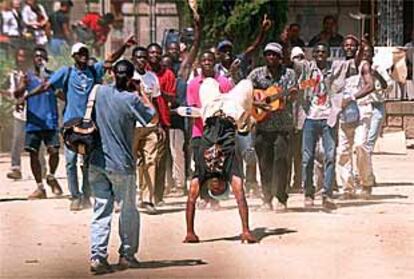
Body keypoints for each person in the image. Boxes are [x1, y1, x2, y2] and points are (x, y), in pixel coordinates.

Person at [21, 36, 137, 210]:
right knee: (70, 161)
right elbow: (47, 86)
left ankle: (85, 194)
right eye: (80, 53)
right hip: (71, 125)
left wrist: (124, 47)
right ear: (74, 56)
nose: (83, 55)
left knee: (88, 162)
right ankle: (75, 196)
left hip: (90, 124)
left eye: (85, 52)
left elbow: (110, 59)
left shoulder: (94, 71)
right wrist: (26, 96)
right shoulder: (66, 72)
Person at [88, 60, 157, 274]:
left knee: (101, 210)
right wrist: (140, 92)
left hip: (97, 162)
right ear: (129, 78)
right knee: (128, 210)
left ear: (112, 74)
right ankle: (127, 255)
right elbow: (152, 116)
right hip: (121, 165)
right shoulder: (131, 100)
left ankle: (98, 257)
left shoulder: (99, 92)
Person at [184, 76, 257, 244]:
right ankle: (245, 120)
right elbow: (240, 195)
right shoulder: (230, 171)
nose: (216, 187)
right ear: (225, 186)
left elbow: (191, 198)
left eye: (213, 190)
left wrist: (190, 232)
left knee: (208, 81)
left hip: (210, 110)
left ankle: (245, 117)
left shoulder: (202, 173)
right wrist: (246, 231)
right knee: (246, 84)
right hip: (233, 111)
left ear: (209, 186)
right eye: (220, 190)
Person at [248, 42, 298, 212]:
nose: (271, 57)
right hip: (262, 125)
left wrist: (288, 97)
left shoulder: (289, 74)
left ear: (280, 57)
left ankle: (281, 198)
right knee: (264, 163)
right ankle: (266, 198)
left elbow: (292, 96)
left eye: (275, 55)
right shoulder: (256, 74)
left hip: (282, 126)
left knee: (282, 161)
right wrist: (259, 103)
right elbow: (246, 93)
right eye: (268, 54)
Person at [14, 47, 62, 199]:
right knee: (33, 153)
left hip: (50, 120)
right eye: (36, 56)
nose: (39, 58)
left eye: (42, 56)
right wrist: (22, 85)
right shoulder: (27, 76)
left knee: (54, 151)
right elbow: (17, 94)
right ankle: (40, 187)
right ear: (33, 59)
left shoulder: (52, 76)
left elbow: (60, 94)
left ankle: (51, 176)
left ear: (46, 59)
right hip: (34, 121)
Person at [300, 43, 341, 209]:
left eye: (323, 52)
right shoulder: (308, 69)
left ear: (328, 54)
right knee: (307, 157)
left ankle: (327, 194)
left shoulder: (334, 70)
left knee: (330, 155)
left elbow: (339, 87)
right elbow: (302, 86)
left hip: (328, 117)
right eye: (317, 52)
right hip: (310, 117)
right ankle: (309, 192)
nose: (320, 54)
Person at [337, 35, 375, 199]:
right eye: (346, 45)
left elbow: (370, 85)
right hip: (343, 113)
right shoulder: (340, 66)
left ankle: (366, 182)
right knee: (343, 151)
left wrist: (352, 97)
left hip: (361, 109)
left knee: (360, 146)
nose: (349, 47)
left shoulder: (363, 65)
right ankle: (348, 188)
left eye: (353, 45)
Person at [131, 46, 164, 213]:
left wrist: (161, 124)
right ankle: (126, 198)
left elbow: (157, 101)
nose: (142, 60)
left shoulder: (152, 78)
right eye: (138, 57)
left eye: (144, 57)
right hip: (132, 126)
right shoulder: (128, 76)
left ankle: (147, 199)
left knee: (150, 160)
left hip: (150, 125)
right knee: (130, 162)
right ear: (133, 58)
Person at [6, 47, 46, 180]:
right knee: (17, 139)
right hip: (20, 112)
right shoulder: (13, 75)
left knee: (37, 140)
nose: (21, 59)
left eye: (24, 56)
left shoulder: (34, 73)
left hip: (34, 111)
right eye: (19, 56)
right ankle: (15, 168)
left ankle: (42, 167)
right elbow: (12, 91)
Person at [147, 42, 176, 206]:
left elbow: (172, 97)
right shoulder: (143, 73)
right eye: (152, 53)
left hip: (163, 120)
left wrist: (158, 90)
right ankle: (145, 193)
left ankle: (158, 195)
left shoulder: (168, 74)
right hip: (144, 121)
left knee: (160, 159)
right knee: (144, 159)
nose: (155, 55)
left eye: (158, 53)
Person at [215, 14, 272, 84]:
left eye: (229, 49)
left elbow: (254, 47)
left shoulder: (239, 61)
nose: (227, 52)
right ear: (219, 54)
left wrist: (263, 31)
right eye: (224, 51)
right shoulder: (216, 69)